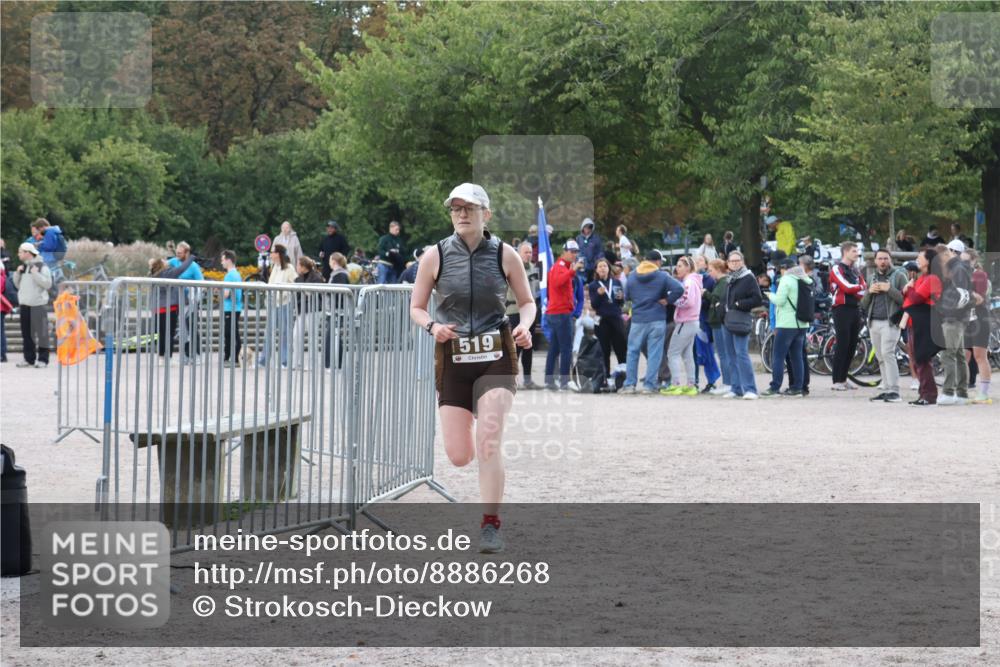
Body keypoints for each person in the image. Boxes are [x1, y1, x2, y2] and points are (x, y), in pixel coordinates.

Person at [409, 182, 535, 554]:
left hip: (496, 352)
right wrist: (433, 326)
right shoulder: (434, 256)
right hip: (453, 356)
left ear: (487, 214)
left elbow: (526, 303)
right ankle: (486, 498)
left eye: (470, 208)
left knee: (489, 441)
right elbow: (416, 307)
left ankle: (491, 524)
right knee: (459, 454)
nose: (462, 214)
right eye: (456, 208)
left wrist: (524, 325)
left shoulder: (505, 254)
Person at [620, 250, 682, 394]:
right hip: (657, 318)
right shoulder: (662, 276)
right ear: (657, 262)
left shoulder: (632, 276)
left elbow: (627, 296)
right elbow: (679, 288)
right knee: (655, 352)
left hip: (638, 319)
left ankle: (630, 384)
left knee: (632, 352)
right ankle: (649, 385)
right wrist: (667, 300)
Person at [859, 249, 907, 402]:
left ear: (890, 259)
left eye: (886, 258)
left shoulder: (899, 275)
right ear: (875, 261)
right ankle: (886, 389)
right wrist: (869, 292)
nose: (883, 261)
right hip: (874, 322)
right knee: (880, 357)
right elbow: (864, 304)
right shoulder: (872, 277)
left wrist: (890, 289)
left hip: (890, 322)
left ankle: (894, 391)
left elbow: (906, 300)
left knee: (888, 353)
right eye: (880, 259)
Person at [762, 257, 810, 396]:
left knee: (777, 356)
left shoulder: (787, 279)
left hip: (786, 323)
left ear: (785, 269)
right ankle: (797, 388)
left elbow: (780, 301)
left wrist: (770, 294)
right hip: (802, 323)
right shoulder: (804, 279)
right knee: (797, 357)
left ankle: (774, 387)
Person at [719, 251, 763, 399]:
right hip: (727, 320)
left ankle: (750, 389)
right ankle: (736, 387)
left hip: (740, 319)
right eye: (732, 261)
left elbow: (757, 299)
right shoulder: (729, 279)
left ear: (743, 261)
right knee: (730, 355)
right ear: (728, 263)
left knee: (741, 354)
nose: (734, 263)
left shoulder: (748, 277)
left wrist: (739, 304)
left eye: (737, 261)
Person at [902, 249, 942, 406]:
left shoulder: (932, 278)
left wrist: (910, 288)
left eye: (920, 257)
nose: (917, 260)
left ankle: (929, 394)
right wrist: (908, 288)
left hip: (926, 320)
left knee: (922, 358)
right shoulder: (922, 277)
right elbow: (907, 296)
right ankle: (923, 393)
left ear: (929, 261)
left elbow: (916, 298)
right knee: (916, 359)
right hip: (915, 321)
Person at [936, 240, 974, 405]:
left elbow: (962, 295)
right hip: (958, 317)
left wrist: (947, 311)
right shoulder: (958, 267)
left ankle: (949, 391)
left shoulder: (957, 269)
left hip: (953, 318)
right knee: (957, 355)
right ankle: (961, 393)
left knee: (948, 354)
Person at [662, 256, 703, 395]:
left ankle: (676, 384)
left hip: (685, 321)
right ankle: (691, 385)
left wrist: (673, 301)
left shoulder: (689, 282)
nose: (677, 269)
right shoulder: (695, 281)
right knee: (687, 354)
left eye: (680, 266)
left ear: (688, 267)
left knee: (672, 353)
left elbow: (687, 301)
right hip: (693, 321)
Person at [829, 242, 867, 390]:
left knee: (852, 344)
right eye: (854, 251)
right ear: (845, 252)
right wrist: (860, 288)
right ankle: (836, 380)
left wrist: (859, 289)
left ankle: (844, 378)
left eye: (857, 251)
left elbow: (862, 292)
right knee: (842, 343)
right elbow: (846, 286)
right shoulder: (836, 268)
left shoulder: (856, 270)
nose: (857, 254)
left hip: (854, 308)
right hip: (841, 309)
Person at [544, 240, 579, 390]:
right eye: (571, 251)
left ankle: (550, 381)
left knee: (555, 349)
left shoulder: (560, 266)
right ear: (564, 252)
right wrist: (572, 271)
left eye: (576, 251)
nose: (574, 254)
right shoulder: (560, 267)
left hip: (557, 312)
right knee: (565, 349)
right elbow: (558, 282)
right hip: (561, 313)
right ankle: (564, 382)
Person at [149, 252, 195, 360]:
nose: (167, 263)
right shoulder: (167, 273)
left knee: (161, 334)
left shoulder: (154, 274)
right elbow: (181, 268)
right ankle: (167, 357)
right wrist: (191, 258)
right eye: (165, 262)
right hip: (170, 308)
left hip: (157, 309)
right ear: (162, 265)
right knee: (169, 333)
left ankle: (160, 357)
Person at [13, 243, 52, 368]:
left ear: (28, 253)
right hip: (24, 305)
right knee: (26, 334)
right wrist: (17, 274)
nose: (18, 254)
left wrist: (35, 273)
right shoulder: (24, 267)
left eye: (20, 252)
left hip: (38, 305)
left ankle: (43, 360)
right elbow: (18, 286)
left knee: (42, 334)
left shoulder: (42, 267)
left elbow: (47, 284)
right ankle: (28, 359)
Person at [258, 244, 297, 368]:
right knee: (269, 331)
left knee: (285, 333)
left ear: (279, 254)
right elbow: (271, 283)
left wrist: (283, 294)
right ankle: (263, 360)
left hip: (285, 303)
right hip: (274, 303)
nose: (271, 254)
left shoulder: (289, 268)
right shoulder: (275, 267)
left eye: (272, 252)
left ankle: (284, 361)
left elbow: (295, 283)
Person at [588, 258, 627, 379]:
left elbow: (621, 303)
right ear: (596, 270)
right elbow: (594, 305)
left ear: (608, 268)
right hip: (602, 320)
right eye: (600, 267)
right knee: (603, 349)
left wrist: (621, 298)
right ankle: (605, 376)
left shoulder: (616, 282)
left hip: (616, 318)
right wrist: (599, 295)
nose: (602, 268)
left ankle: (623, 375)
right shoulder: (593, 285)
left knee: (620, 347)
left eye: (604, 266)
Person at [508, 242, 540, 389]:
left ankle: (527, 380)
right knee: (515, 347)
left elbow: (537, 290)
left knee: (528, 346)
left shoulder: (534, 269)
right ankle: (511, 379)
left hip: (530, 314)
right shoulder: (513, 267)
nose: (529, 255)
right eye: (526, 252)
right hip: (515, 311)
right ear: (519, 253)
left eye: (530, 252)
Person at [962, 249, 992, 404]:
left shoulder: (979, 274)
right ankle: (962, 390)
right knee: (964, 356)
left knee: (980, 356)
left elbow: (979, 299)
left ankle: (984, 392)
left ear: (973, 261)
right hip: (966, 319)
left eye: (966, 261)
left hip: (979, 318)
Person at [168, 241, 205, 362]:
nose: (177, 255)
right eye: (176, 252)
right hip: (179, 301)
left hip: (192, 301)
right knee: (183, 329)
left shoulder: (193, 266)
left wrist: (195, 300)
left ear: (187, 253)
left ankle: (198, 355)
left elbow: (202, 284)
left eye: (180, 253)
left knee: (192, 328)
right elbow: (163, 267)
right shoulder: (174, 261)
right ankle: (185, 356)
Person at [292, 256, 325, 369]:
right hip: (301, 310)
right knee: (296, 336)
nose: (296, 267)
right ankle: (297, 362)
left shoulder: (316, 277)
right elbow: (297, 295)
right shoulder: (298, 279)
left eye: (298, 265)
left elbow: (319, 295)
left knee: (312, 337)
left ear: (303, 266)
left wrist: (305, 294)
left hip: (314, 310)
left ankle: (313, 364)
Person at [704, 259, 732, 395]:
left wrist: (705, 293)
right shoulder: (720, 282)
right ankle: (728, 382)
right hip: (717, 321)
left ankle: (728, 382)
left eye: (711, 270)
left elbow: (717, 298)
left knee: (723, 354)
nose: (709, 273)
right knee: (723, 353)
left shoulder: (723, 282)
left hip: (720, 322)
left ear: (718, 269)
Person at [220, 250, 243, 366]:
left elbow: (226, 294)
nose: (221, 262)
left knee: (229, 333)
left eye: (223, 260)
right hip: (236, 308)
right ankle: (235, 358)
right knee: (234, 333)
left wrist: (218, 292)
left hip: (230, 308)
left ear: (229, 260)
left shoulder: (229, 275)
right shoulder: (237, 274)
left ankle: (230, 358)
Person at [575, 218, 604, 283]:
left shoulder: (596, 238)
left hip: (593, 266)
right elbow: (576, 251)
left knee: (593, 284)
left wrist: (597, 263)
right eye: (586, 226)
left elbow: (600, 252)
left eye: (589, 227)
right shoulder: (578, 238)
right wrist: (577, 261)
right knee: (581, 285)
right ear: (583, 227)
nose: (587, 229)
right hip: (581, 267)